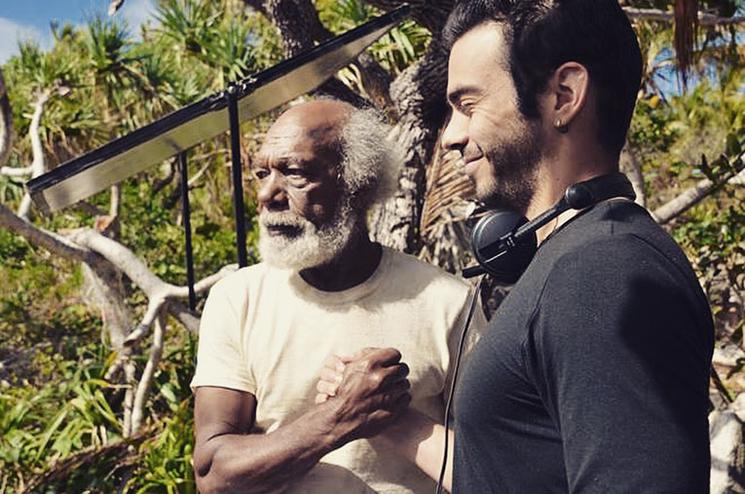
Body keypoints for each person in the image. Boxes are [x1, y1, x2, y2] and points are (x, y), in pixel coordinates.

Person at [318, 1, 714, 492]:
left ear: (563, 96)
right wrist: (396, 426)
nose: (451, 138)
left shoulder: (603, 273)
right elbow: (511, 472)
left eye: (467, 106)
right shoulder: (575, 262)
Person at [190, 98, 485, 493]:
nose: (267, 195)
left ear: (358, 183)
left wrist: (395, 420)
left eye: (294, 173)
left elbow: (494, 463)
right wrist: (341, 415)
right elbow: (213, 475)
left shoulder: (448, 303)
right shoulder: (237, 300)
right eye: (262, 173)